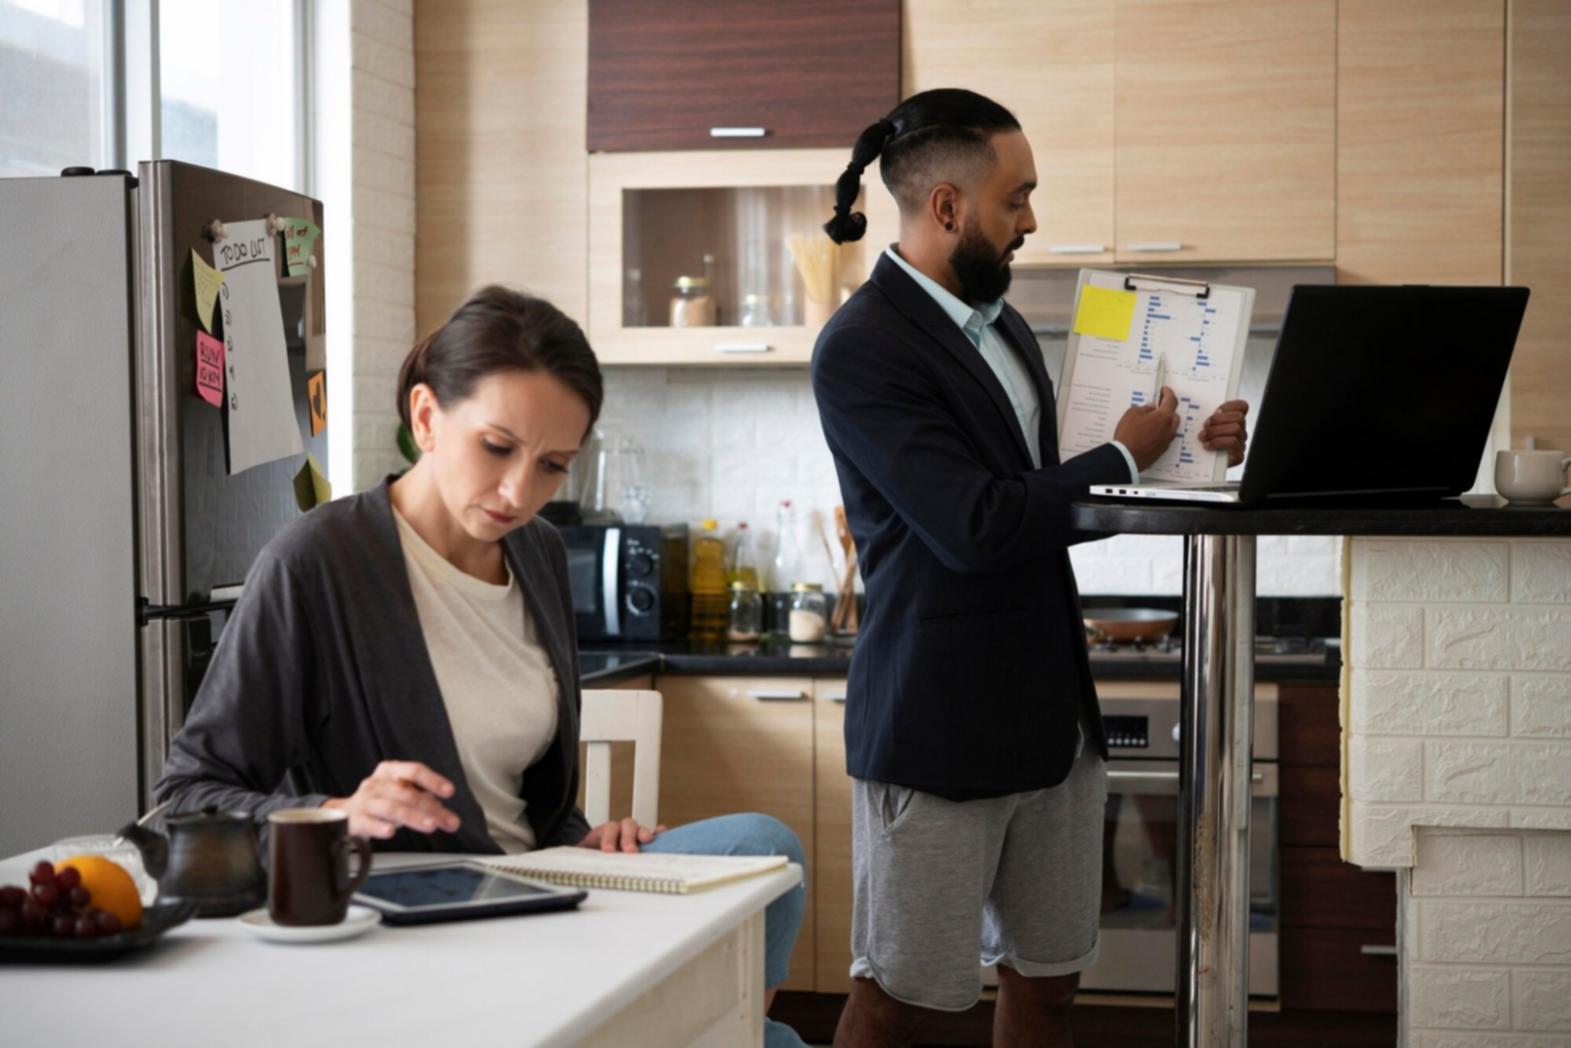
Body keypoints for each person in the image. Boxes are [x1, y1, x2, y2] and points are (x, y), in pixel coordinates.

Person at [155, 285, 808, 1048]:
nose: (518, 493)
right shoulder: (318, 563)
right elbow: (185, 802)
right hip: (421, 921)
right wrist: (334, 814)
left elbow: (528, 803)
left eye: (552, 466)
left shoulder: (533, 554)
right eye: (497, 448)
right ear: (426, 417)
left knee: (766, 848)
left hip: (541, 891)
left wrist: (588, 837)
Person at [811, 89, 1249, 1046]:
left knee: (1048, 983)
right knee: (903, 1000)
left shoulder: (1001, 326)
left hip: (1050, 718)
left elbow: (1049, 507)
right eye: (1017, 199)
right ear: (947, 207)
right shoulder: (861, 348)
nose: (1031, 220)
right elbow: (973, 525)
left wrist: (1190, 447)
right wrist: (1125, 456)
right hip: (934, 731)